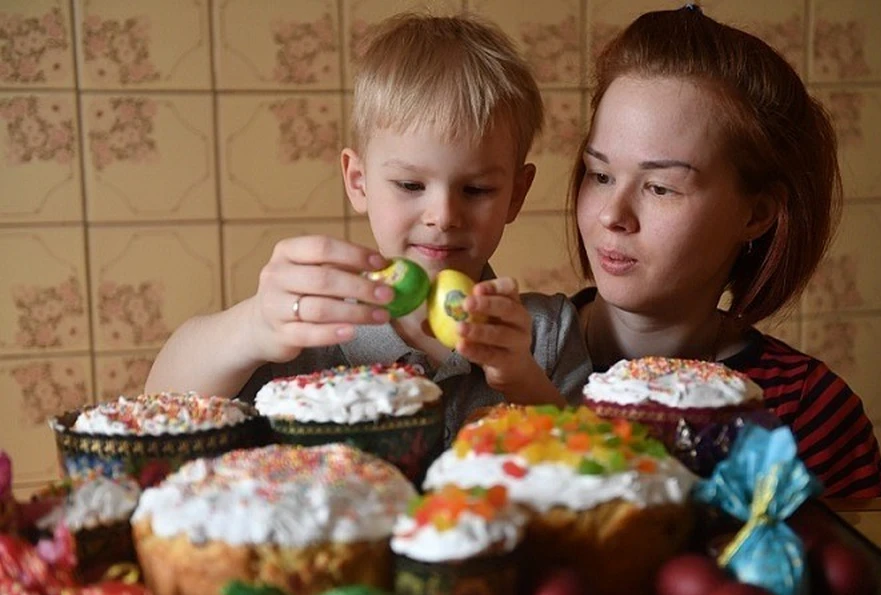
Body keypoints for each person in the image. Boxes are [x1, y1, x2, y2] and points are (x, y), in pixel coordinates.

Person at [145, 14, 591, 442]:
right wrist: (254, 323)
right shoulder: (316, 326)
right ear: (358, 182)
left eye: (475, 190)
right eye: (410, 184)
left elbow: (597, 467)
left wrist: (522, 379)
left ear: (516, 193)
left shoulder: (546, 332)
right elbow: (156, 407)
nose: (443, 215)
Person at [569, 6, 881, 498]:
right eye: (601, 174)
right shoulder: (508, 358)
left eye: (660, 187)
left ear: (756, 214)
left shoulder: (807, 414)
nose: (613, 215)